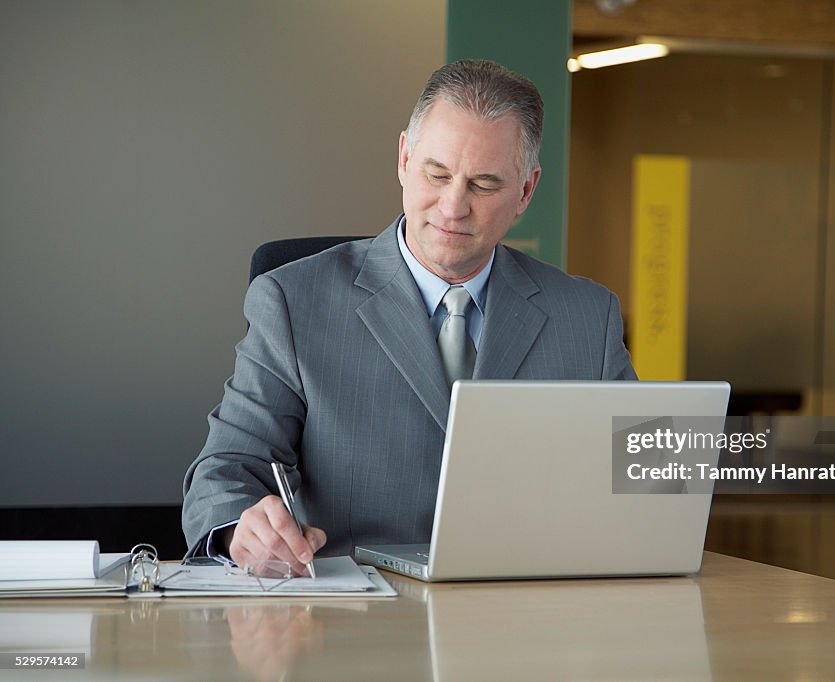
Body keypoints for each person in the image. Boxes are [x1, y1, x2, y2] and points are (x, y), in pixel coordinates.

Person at [182, 59, 636, 573]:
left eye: (483, 185)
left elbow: (641, 486)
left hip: (528, 616)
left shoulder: (587, 316)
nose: (452, 206)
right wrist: (242, 529)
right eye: (436, 174)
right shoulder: (291, 301)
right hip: (355, 622)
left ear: (526, 192)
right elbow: (224, 470)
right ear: (403, 159)